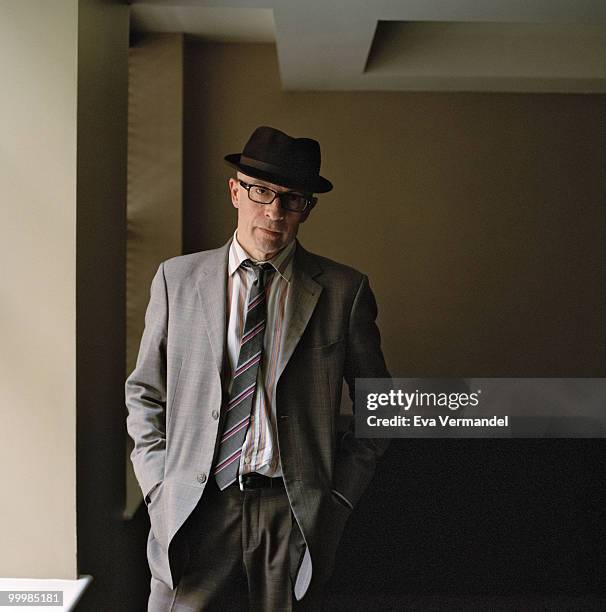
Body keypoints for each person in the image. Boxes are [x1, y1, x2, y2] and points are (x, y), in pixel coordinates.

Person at [126, 125, 390, 611]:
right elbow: (144, 391)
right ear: (235, 191)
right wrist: (159, 487)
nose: (274, 211)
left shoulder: (343, 291)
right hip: (193, 508)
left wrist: (339, 500)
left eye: (292, 200)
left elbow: (381, 407)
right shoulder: (176, 279)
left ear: (307, 209)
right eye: (261, 192)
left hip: (291, 512)